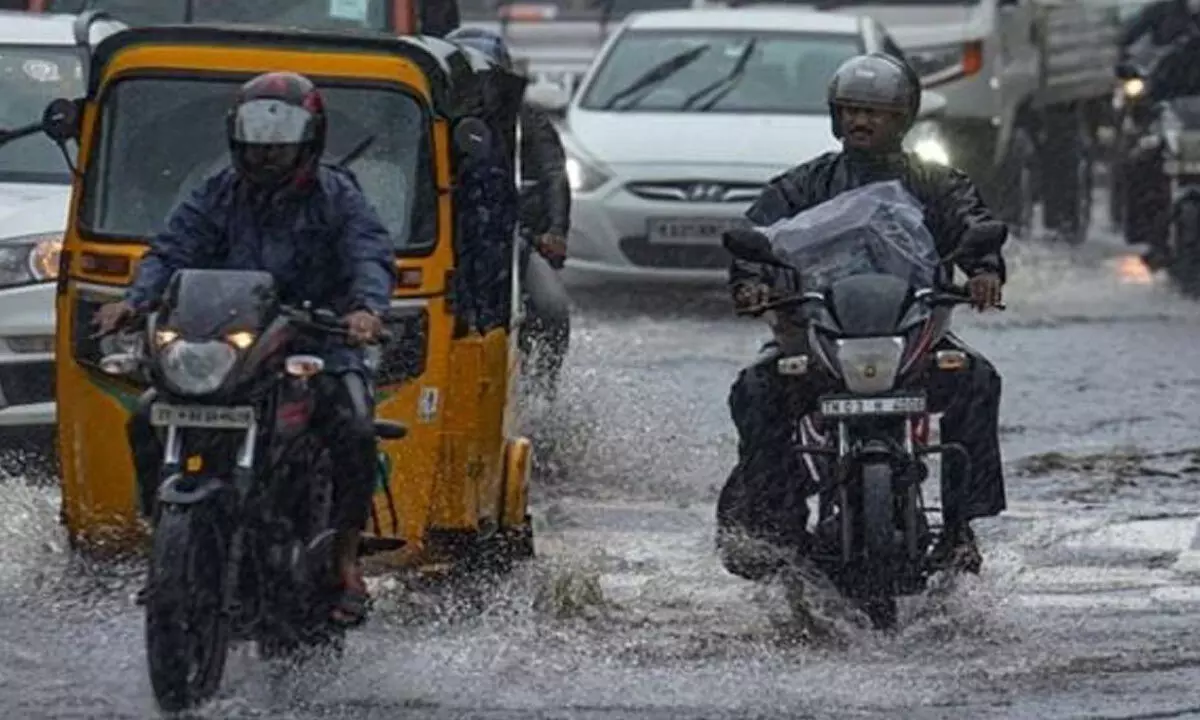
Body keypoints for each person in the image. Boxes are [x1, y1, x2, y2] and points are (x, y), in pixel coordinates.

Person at [92, 71, 396, 628]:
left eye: (281, 130)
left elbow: (369, 254)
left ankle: (347, 560)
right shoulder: (218, 192)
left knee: (353, 424)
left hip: (319, 343)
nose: (268, 145)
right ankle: (168, 545)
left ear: (311, 134)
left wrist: (366, 311)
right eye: (257, 128)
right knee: (144, 416)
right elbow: (172, 248)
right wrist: (134, 301)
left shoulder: (338, 197)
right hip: (238, 345)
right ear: (236, 132)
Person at [716, 53, 1008, 584]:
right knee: (756, 389)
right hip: (819, 336)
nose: (861, 121)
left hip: (910, 335)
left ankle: (962, 528)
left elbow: (974, 225)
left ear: (903, 119)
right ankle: (778, 523)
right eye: (851, 110)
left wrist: (985, 270)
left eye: (875, 112)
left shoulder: (939, 183)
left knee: (977, 380)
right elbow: (755, 236)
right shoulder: (803, 184)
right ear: (835, 116)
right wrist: (751, 282)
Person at [445, 26, 573, 395]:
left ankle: (541, 387)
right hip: (443, 238)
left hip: (509, 236)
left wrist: (556, 231)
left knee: (550, 307)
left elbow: (554, 176)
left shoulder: (527, 120)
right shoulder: (431, 116)